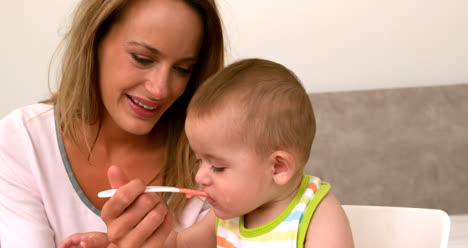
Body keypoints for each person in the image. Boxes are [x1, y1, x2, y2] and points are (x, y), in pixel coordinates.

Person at [0, 0, 225, 247]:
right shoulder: (21, 143)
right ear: (94, 40)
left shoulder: (217, 162)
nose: (161, 89)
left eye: (183, 69)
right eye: (142, 58)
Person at [60, 58, 354, 248]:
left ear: (277, 167)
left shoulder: (316, 215)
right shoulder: (228, 214)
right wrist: (113, 243)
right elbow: (175, 246)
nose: (200, 176)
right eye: (200, 160)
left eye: (218, 167)